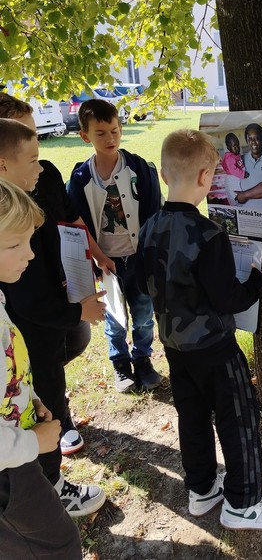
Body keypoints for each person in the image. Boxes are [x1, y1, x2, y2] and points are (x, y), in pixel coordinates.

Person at [136, 129, 262, 531]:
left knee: (192, 416)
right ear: (207, 177)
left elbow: (140, 282)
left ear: (165, 176)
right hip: (216, 349)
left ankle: (202, 489)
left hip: (174, 347)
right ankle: (243, 503)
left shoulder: (149, 226)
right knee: (238, 420)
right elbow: (229, 299)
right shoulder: (208, 235)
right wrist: (256, 282)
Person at [0, 118, 107, 517]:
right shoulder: (7, 228)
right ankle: (53, 488)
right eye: (32, 160)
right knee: (47, 401)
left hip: (35, 342)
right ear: (4, 165)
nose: (41, 167)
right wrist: (77, 310)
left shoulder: (26, 202)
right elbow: (31, 300)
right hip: (34, 336)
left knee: (44, 400)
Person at [0, 178, 83, 559]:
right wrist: (34, 443)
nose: (30, 254)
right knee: (57, 546)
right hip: (8, 473)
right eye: (15, 245)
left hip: (16, 447)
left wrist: (28, 397)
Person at [68, 99, 162, 392]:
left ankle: (143, 359)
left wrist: (150, 254)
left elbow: (154, 213)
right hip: (106, 262)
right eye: (100, 133)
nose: (110, 138)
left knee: (143, 314)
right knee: (115, 317)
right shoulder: (81, 178)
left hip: (139, 258)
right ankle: (120, 364)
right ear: (85, 136)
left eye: (114, 131)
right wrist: (97, 258)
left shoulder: (139, 169)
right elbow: (77, 223)